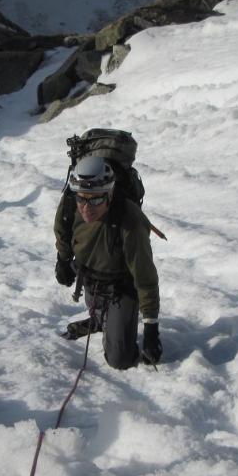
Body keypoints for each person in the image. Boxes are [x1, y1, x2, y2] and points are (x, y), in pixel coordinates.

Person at [54, 155, 162, 369]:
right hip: (89, 276)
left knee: (120, 360)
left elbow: (145, 277)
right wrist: (63, 260)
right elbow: (62, 232)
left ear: (110, 194)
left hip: (121, 287)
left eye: (95, 199)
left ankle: (109, 319)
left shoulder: (130, 220)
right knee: (102, 308)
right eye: (82, 198)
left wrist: (151, 329)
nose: (86, 207)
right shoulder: (70, 204)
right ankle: (101, 319)